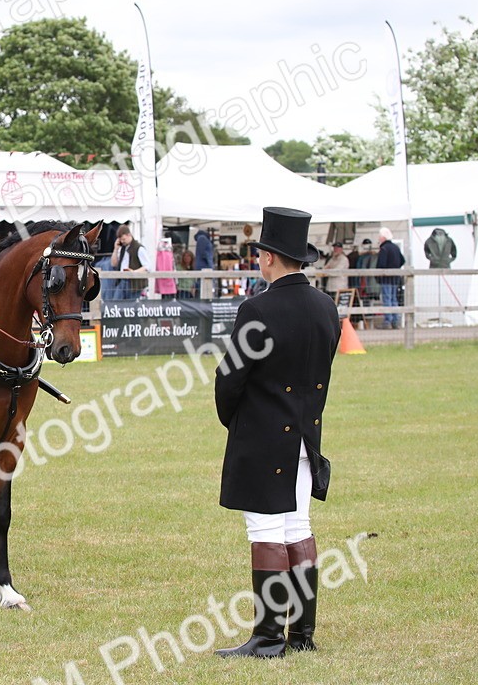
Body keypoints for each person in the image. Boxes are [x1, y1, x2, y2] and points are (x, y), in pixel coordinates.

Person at [214, 207, 340, 659]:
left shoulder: (258, 308)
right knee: (298, 528)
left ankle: (268, 637)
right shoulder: (327, 307)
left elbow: (229, 380)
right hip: (307, 436)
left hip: (264, 437)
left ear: (269, 257)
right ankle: (301, 635)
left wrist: (238, 423)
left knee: (266, 533)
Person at [376, 228, 405, 329]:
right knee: (394, 299)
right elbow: (402, 260)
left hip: (386, 278)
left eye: (380, 236)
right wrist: (395, 267)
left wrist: (379, 274)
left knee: (387, 299)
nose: (379, 238)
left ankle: (388, 321)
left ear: (383, 237)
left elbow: (381, 264)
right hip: (395, 278)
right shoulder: (395, 248)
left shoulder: (384, 249)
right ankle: (395, 320)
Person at [109, 224, 147, 300]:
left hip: (134, 283)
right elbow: (113, 264)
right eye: (121, 240)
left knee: (132, 307)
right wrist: (115, 249)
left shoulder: (139, 248)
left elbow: (147, 266)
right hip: (122, 280)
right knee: (115, 305)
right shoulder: (122, 248)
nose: (122, 241)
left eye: (124, 239)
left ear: (129, 235)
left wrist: (134, 272)